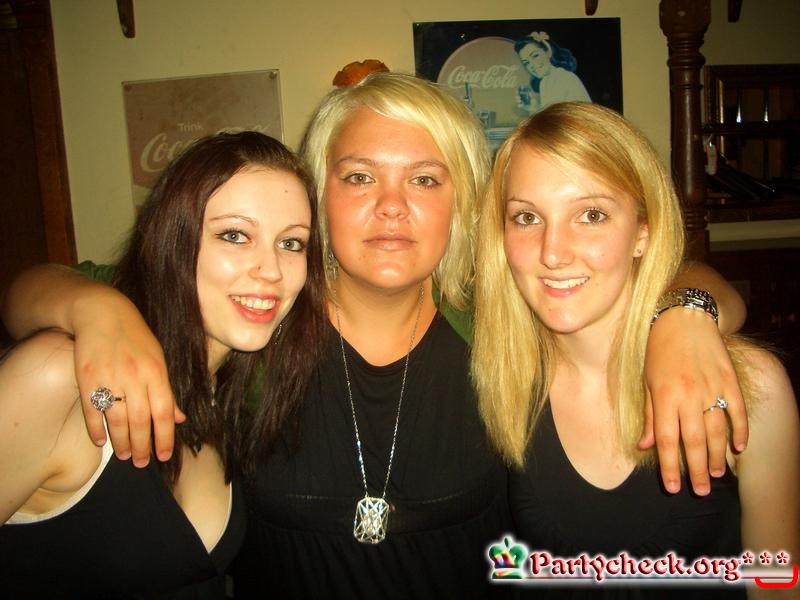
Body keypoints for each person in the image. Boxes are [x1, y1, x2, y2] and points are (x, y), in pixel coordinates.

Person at [2, 73, 748, 598]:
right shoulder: (257, 315)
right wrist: (96, 311)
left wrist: (683, 315)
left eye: (425, 179)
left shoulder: (504, 326)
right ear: (318, 197)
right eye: (359, 176)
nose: (392, 207)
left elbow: (665, 273)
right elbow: (40, 288)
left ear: (464, 203)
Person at [472, 102, 799, 597]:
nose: (553, 252)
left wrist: (689, 309)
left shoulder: (749, 387)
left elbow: (776, 586)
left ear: (642, 232)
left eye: (591, 214)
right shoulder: (500, 380)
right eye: (527, 217)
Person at [0, 131, 327, 598]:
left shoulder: (226, 395)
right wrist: (94, 307)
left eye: (291, 243)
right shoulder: (60, 377)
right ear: (172, 240)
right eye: (234, 235)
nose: (271, 270)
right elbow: (25, 289)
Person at [514, 31, 591, 115]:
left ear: (548, 51)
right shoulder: (544, 82)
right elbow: (549, 117)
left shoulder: (562, 77)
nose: (532, 65)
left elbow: (551, 119)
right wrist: (532, 107)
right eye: (526, 63)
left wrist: (533, 109)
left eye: (535, 56)